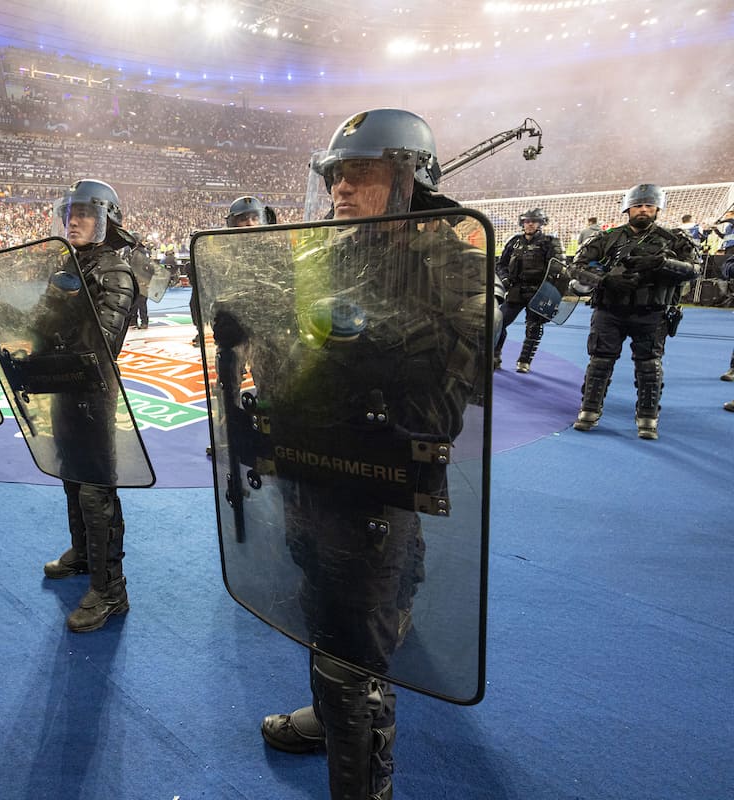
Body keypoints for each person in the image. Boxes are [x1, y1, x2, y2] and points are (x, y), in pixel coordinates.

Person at [246, 108, 496, 800]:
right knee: (318, 595)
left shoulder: (454, 257)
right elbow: (284, 355)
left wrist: (368, 341)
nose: (342, 190)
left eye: (362, 174)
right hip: (308, 464)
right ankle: (331, 720)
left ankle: (363, 773)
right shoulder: (323, 252)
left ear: (410, 180)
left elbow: (464, 375)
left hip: (376, 477)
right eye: (337, 176)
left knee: (357, 645)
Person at [41, 179, 138, 633]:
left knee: (96, 489)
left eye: (84, 213)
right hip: (62, 389)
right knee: (70, 476)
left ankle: (110, 589)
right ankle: (83, 555)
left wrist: (60, 317)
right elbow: (41, 325)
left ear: (106, 220)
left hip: (93, 395)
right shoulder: (69, 263)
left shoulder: (115, 271)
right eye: (70, 212)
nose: (73, 220)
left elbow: (103, 343)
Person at [570, 184, 701, 440]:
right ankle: (589, 410)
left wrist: (662, 263)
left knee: (649, 367)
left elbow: (694, 269)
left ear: (657, 209)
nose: (643, 210)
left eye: (649, 205)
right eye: (638, 205)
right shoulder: (605, 238)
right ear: (628, 208)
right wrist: (605, 280)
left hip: (651, 312)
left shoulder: (674, 239)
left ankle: (648, 417)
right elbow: (576, 267)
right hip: (609, 310)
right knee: (599, 362)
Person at [494, 208, 565, 372]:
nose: (530, 224)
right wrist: (504, 278)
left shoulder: (550, 242)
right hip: (516, 290)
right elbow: (501, 264)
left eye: (534, 221)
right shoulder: (514, 242)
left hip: (539, 292)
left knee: (534, 328)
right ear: (522, 223)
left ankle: (524, 361)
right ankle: (495, 355)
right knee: (498, 322)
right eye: (527, 221)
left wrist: (551, 295)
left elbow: (559, 270)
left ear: (541, 223)